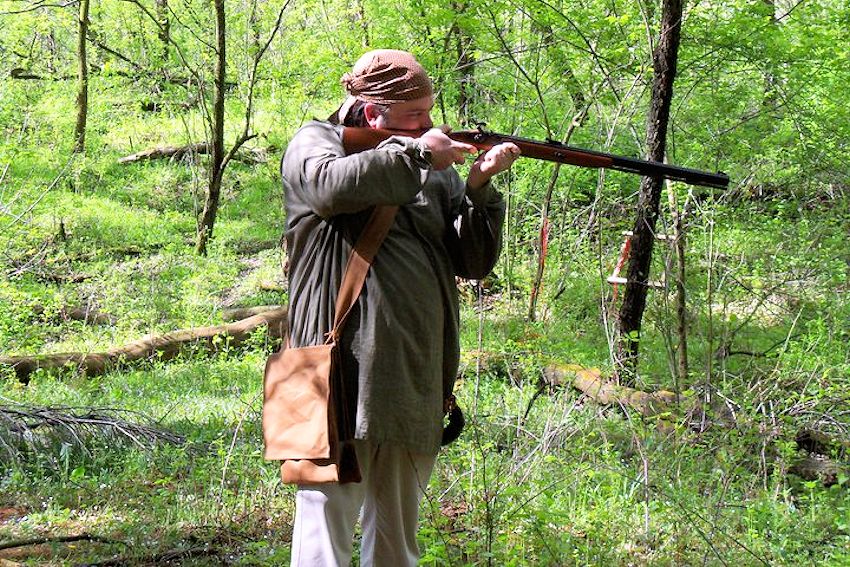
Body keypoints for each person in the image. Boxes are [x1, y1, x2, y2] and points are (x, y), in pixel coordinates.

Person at [280, 49, 519, 566]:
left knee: (397, 540)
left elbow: (473, 263)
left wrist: (479, 189)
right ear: (372, 114)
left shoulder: (434, 164)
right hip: (330, 369)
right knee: (324, 525)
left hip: (412, 370)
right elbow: (328, 189)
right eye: (415, 118)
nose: (429, 126)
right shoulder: (315, 143)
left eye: (429, 114)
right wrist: (416, 156)